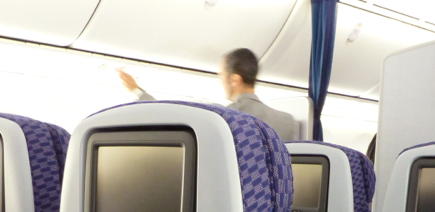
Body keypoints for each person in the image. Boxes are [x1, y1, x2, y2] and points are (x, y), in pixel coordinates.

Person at [119, 48, 300, 142]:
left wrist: (138, 91)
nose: (220, 81)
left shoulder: (222, 116)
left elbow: (171, 114)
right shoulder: (287, 122)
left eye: (222, 76)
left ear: (235, 79)